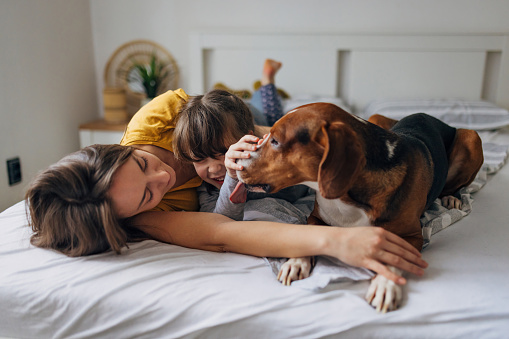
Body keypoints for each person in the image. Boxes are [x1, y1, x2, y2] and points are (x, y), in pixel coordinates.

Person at [25, 60, 428, 286]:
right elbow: (225, 233)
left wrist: (257, 147)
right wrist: (337, 242)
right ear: (134, 214)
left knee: (271, 117)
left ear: (118, 150)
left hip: (253, 130)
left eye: (143, 165)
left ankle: (268, 86)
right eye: (149, 196)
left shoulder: (159, 116)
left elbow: (267, 135)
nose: (163, 179)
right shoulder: (150, 219)